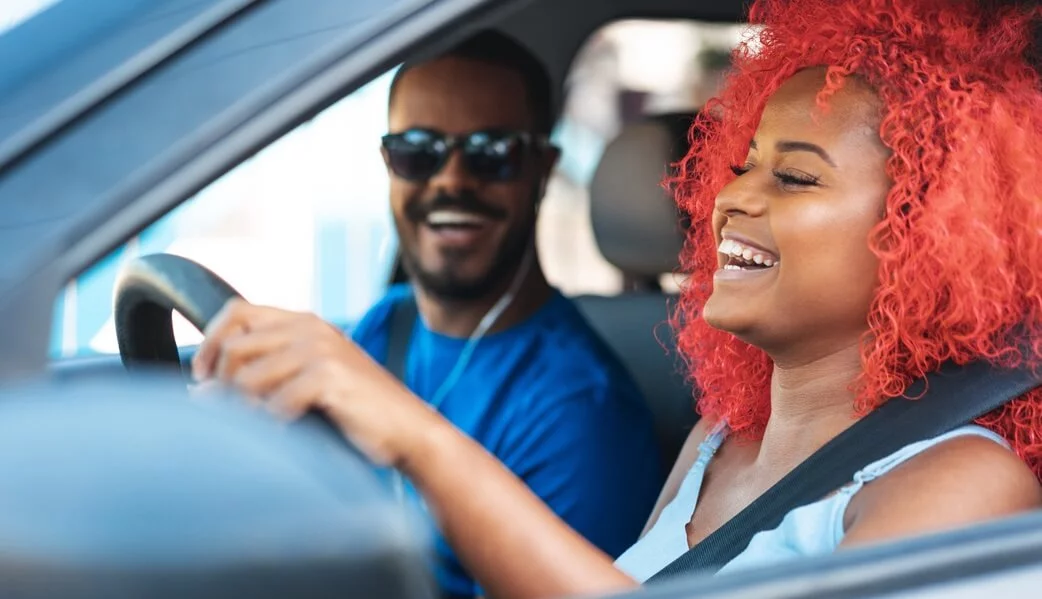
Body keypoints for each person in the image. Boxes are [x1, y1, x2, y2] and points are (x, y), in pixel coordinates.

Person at [191, 0, 1042, 597]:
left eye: (791, 176)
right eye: (742, 163)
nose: (731, 198)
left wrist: (417, 438)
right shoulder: (719, 440)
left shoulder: (965, 484)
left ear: (921, 233)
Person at [212, 31, 663, 598]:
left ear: (542, 169)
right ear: (387, 163)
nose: (451, 179)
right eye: (417, 151)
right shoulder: (386, 324)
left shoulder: (579, 410)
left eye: (491, 152)